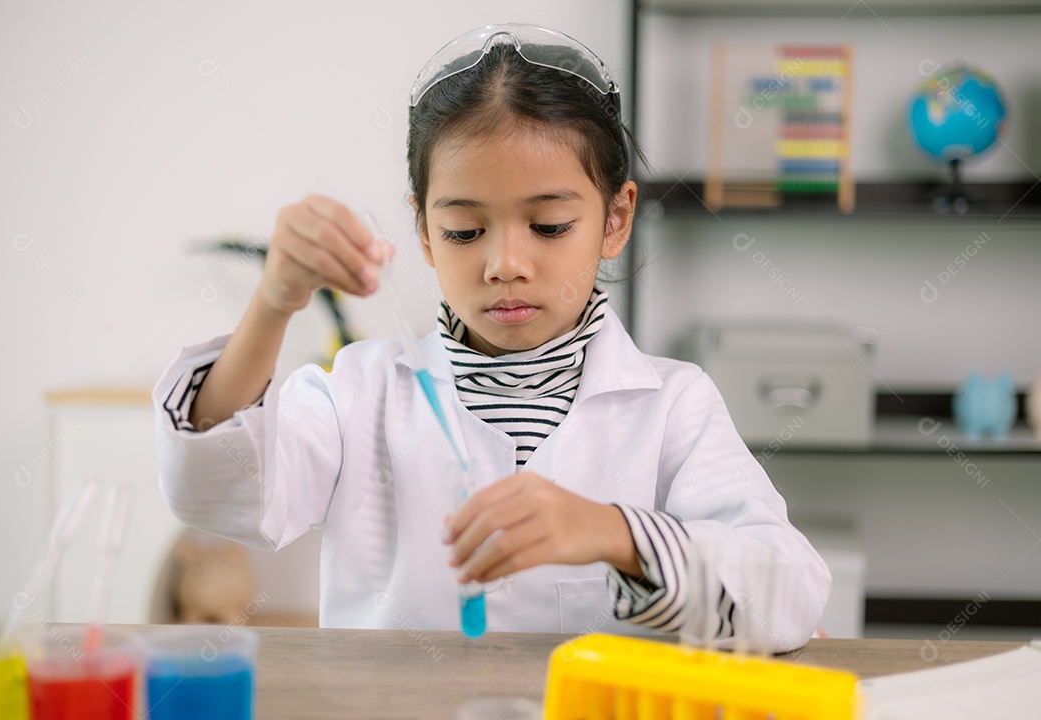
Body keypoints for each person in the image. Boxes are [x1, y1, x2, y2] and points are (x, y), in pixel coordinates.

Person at [154, 24, 830, 648]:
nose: (505, 263)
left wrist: (612, 531)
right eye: (465, 231)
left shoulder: (674, 404)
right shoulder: (358, 395)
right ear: (423, 230)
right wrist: (274, 302)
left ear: (616, 219)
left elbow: (789, 592)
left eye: (550, 225)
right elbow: (216, 493)